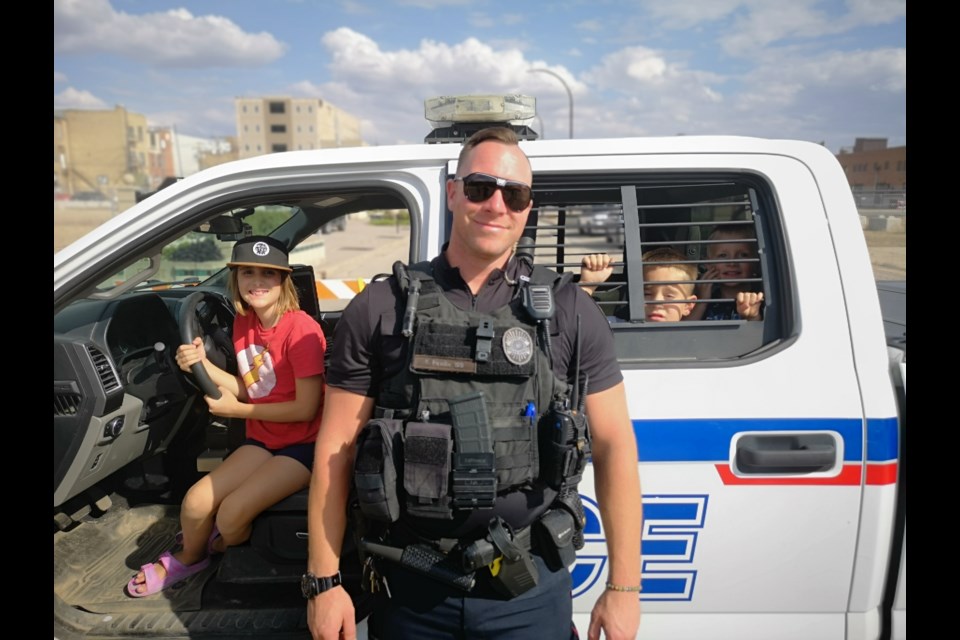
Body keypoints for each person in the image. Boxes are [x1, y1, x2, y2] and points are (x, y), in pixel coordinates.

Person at [306, 127, 642, 640]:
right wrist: (324, 582)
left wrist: (623, 588)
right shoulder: (381, 307)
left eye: (515, 194)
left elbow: (616, 445)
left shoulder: (571, 310)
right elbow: (337, 447)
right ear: (453, 192)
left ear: (528, 207)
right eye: (481, 187)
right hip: (411, 583)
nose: (497, 205)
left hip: (527, 587)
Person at [125, 235, 327, 597]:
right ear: (235, 278)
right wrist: (199, 363)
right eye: (247, 272)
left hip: (303, 446)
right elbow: (252, 386)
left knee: (231, 516)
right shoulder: (243, 325)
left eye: (269, 273)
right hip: (263, 439)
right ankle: (191, 556)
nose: (258, 281)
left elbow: (306, 408)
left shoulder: (303, 331)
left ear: (283, 280)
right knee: (195, 502)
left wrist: (237, 411)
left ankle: (222, 544)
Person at [579, 249, 698, 322]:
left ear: (688, 306)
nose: (656, 301)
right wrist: (587, 285)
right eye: (647, 294)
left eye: (669, 295)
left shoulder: (697, 345)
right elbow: (574, 326)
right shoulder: (614, 328)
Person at [686, 225, 764, 321]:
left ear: (755, 263)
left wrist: (752, 316)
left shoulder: (761, 299)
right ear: (708, 264)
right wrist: (702, 300)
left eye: (743, 255)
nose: (732, 263)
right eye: (723, 255)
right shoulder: (703, 300)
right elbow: (684, 332)